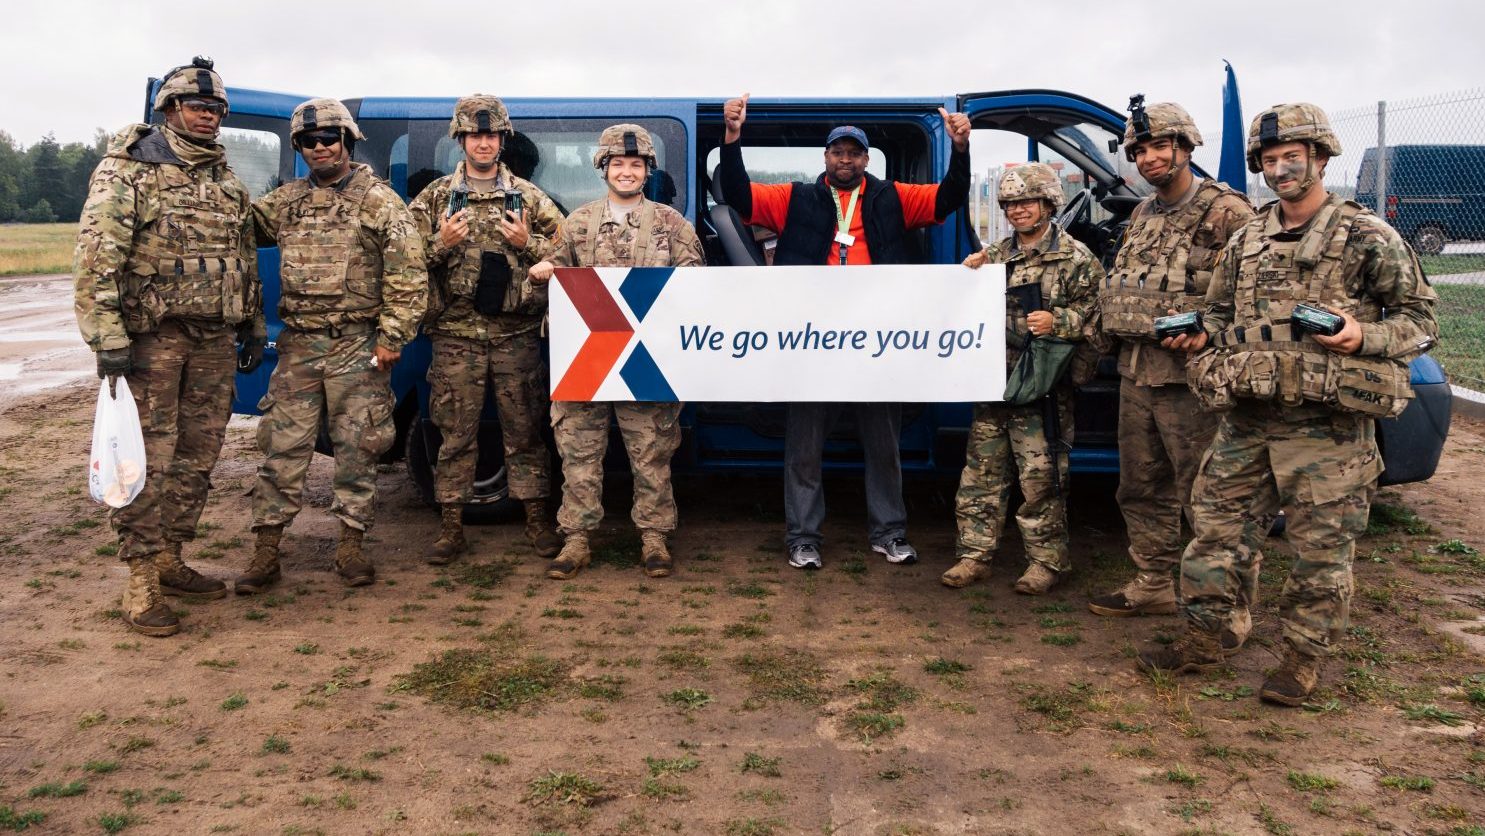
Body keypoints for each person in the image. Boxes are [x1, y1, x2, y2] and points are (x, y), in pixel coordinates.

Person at [1138, 103, 1438, 706]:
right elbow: (1222, 315)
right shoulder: (1248, 237)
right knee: (1215, 536)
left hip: (1326, 428)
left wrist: (1363, 335)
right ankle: (1210, 638)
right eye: (1270, 161)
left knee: (1319, 552)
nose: (1279, 170)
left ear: (1321, 158)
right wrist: (1200, 333)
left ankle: (1301, 661)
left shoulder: (1366, 235)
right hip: (1247, 419)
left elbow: (1420, 319)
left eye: (1291, 158)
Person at [716, 94, 972, 570]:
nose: (846, 160)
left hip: (875, 342)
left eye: (854, 153)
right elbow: (738, 194)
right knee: (804, 445)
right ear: (826, 158)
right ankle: (803, 537)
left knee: (883, 444)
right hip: (813, 343)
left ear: (866, 159)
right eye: (838, 152)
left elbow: (949, 198)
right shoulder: (795, 197)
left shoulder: (893, 195)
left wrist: (960, 150)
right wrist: (732, 137)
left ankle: (890, 533)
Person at [74, 57, 263, 637]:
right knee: (147, 459)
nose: (209, 117)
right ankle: (140, 584)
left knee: (199, 456)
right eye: (198, 107)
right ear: (171, 109)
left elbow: (243, 256)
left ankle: (170, 557)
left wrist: (251, 322)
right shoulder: (129, 171)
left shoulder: (224, 178)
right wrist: (106, 337)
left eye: (216, 109)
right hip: (155, 339)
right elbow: (96, 258)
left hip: (212, 337)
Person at [1086, 100, 1259, 654]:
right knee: (1141, 488)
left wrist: (1209, 332)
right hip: (1138, 375)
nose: (1150, 159)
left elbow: (1254, 297)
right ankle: (1154, 582)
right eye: (1140, 151)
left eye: (1161, 147)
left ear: (1186, 147)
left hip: (1195, 385)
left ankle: (1230, 607)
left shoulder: (1227, 212)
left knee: (1209, 500)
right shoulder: (1142, 214)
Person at [235, 98, 427, 592]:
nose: (320, 149)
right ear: (298, 147)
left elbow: (408, 274)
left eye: (329, 139)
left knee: (358, 448)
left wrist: (392, 336)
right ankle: (265, 552)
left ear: (347, 141)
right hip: (300, 346)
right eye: (309, 142)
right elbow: (235, 231)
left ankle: (351, 546)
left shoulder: (379, 201)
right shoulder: (286, 201)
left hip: (356, 346)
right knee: (282, 448)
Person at [528, 125, 703, 580]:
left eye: (636, 165)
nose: (627, 172)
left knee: (651, 452)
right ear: (604, 168)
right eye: (619, 164)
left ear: (648, 170)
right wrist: (545, 270)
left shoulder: (670, 224)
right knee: (579, 452)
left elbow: (695, 281)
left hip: (646, 354)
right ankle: (577, 540)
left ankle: (654, 538)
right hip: (586, 355)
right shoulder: (578, 223)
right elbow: (552, 271)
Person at [408, 95, 565, 565]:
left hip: (516, 334)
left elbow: (566, 255)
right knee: (455, 432)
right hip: (456, 334)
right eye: (475, 134)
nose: (483, 142)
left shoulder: (529, 199)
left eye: (492, 134)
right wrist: (441, 242)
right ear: (461, 138)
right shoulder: (436, 197)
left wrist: (528, 242)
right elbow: (403, 260)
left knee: (525, 431)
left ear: (502, 140)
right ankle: (451, 526)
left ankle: (537, 521)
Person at [943, 163, 1100, 593]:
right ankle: (974, 555)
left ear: (1049, 203)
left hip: (1043, 391)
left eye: (1027, 201)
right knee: (981, 477)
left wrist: (1059, 320)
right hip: (995, 385)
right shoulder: (994, 256)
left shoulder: (1077, 259)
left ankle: (1046, 563)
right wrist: (967, 275)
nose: (1018, 210)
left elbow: (1101, 322)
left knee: (1042, 481)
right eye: (1010, 203)